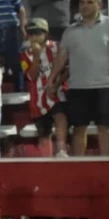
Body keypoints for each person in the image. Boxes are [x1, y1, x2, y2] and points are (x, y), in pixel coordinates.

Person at [49, 0, 109, 157]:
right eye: (82, 2)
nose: (85, 6)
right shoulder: (70, 30)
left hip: (105, 85)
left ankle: (107, 163)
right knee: (78, 127)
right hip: (78, 86)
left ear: (99, 4)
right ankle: (78, 165)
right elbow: (61, 58)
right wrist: (51, 81)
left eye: (90, 2)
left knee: (105, 127)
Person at [21, 19, 69, 158]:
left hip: (57, 91)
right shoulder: (24, 55)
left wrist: (57, 84)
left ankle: (61, 150)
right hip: (37, 97)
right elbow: (31, 76)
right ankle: (45, 158)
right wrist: (36, 57)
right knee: (43, 131)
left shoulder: (57, 47)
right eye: (30, 34)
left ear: (46, 33)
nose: (33, 37)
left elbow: (67, 69)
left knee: (60, 116)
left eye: (37, 33)